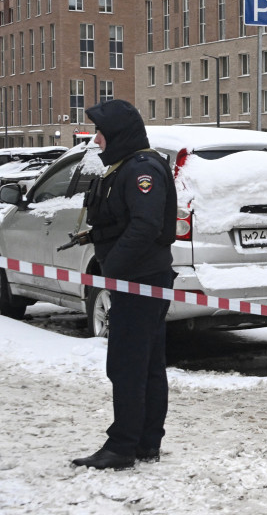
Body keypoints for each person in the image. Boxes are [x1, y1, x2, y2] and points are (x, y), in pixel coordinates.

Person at [71, 99, 177, 471]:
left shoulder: (141, 169)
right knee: (145, 364)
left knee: (128, 364)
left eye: (100, 132)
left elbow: (146, 226)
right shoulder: (129, 166)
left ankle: (122, 447)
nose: (96, 139)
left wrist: (111, 267)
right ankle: (145, 442)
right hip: (142, 277)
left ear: (116, 133)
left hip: (140, 280)